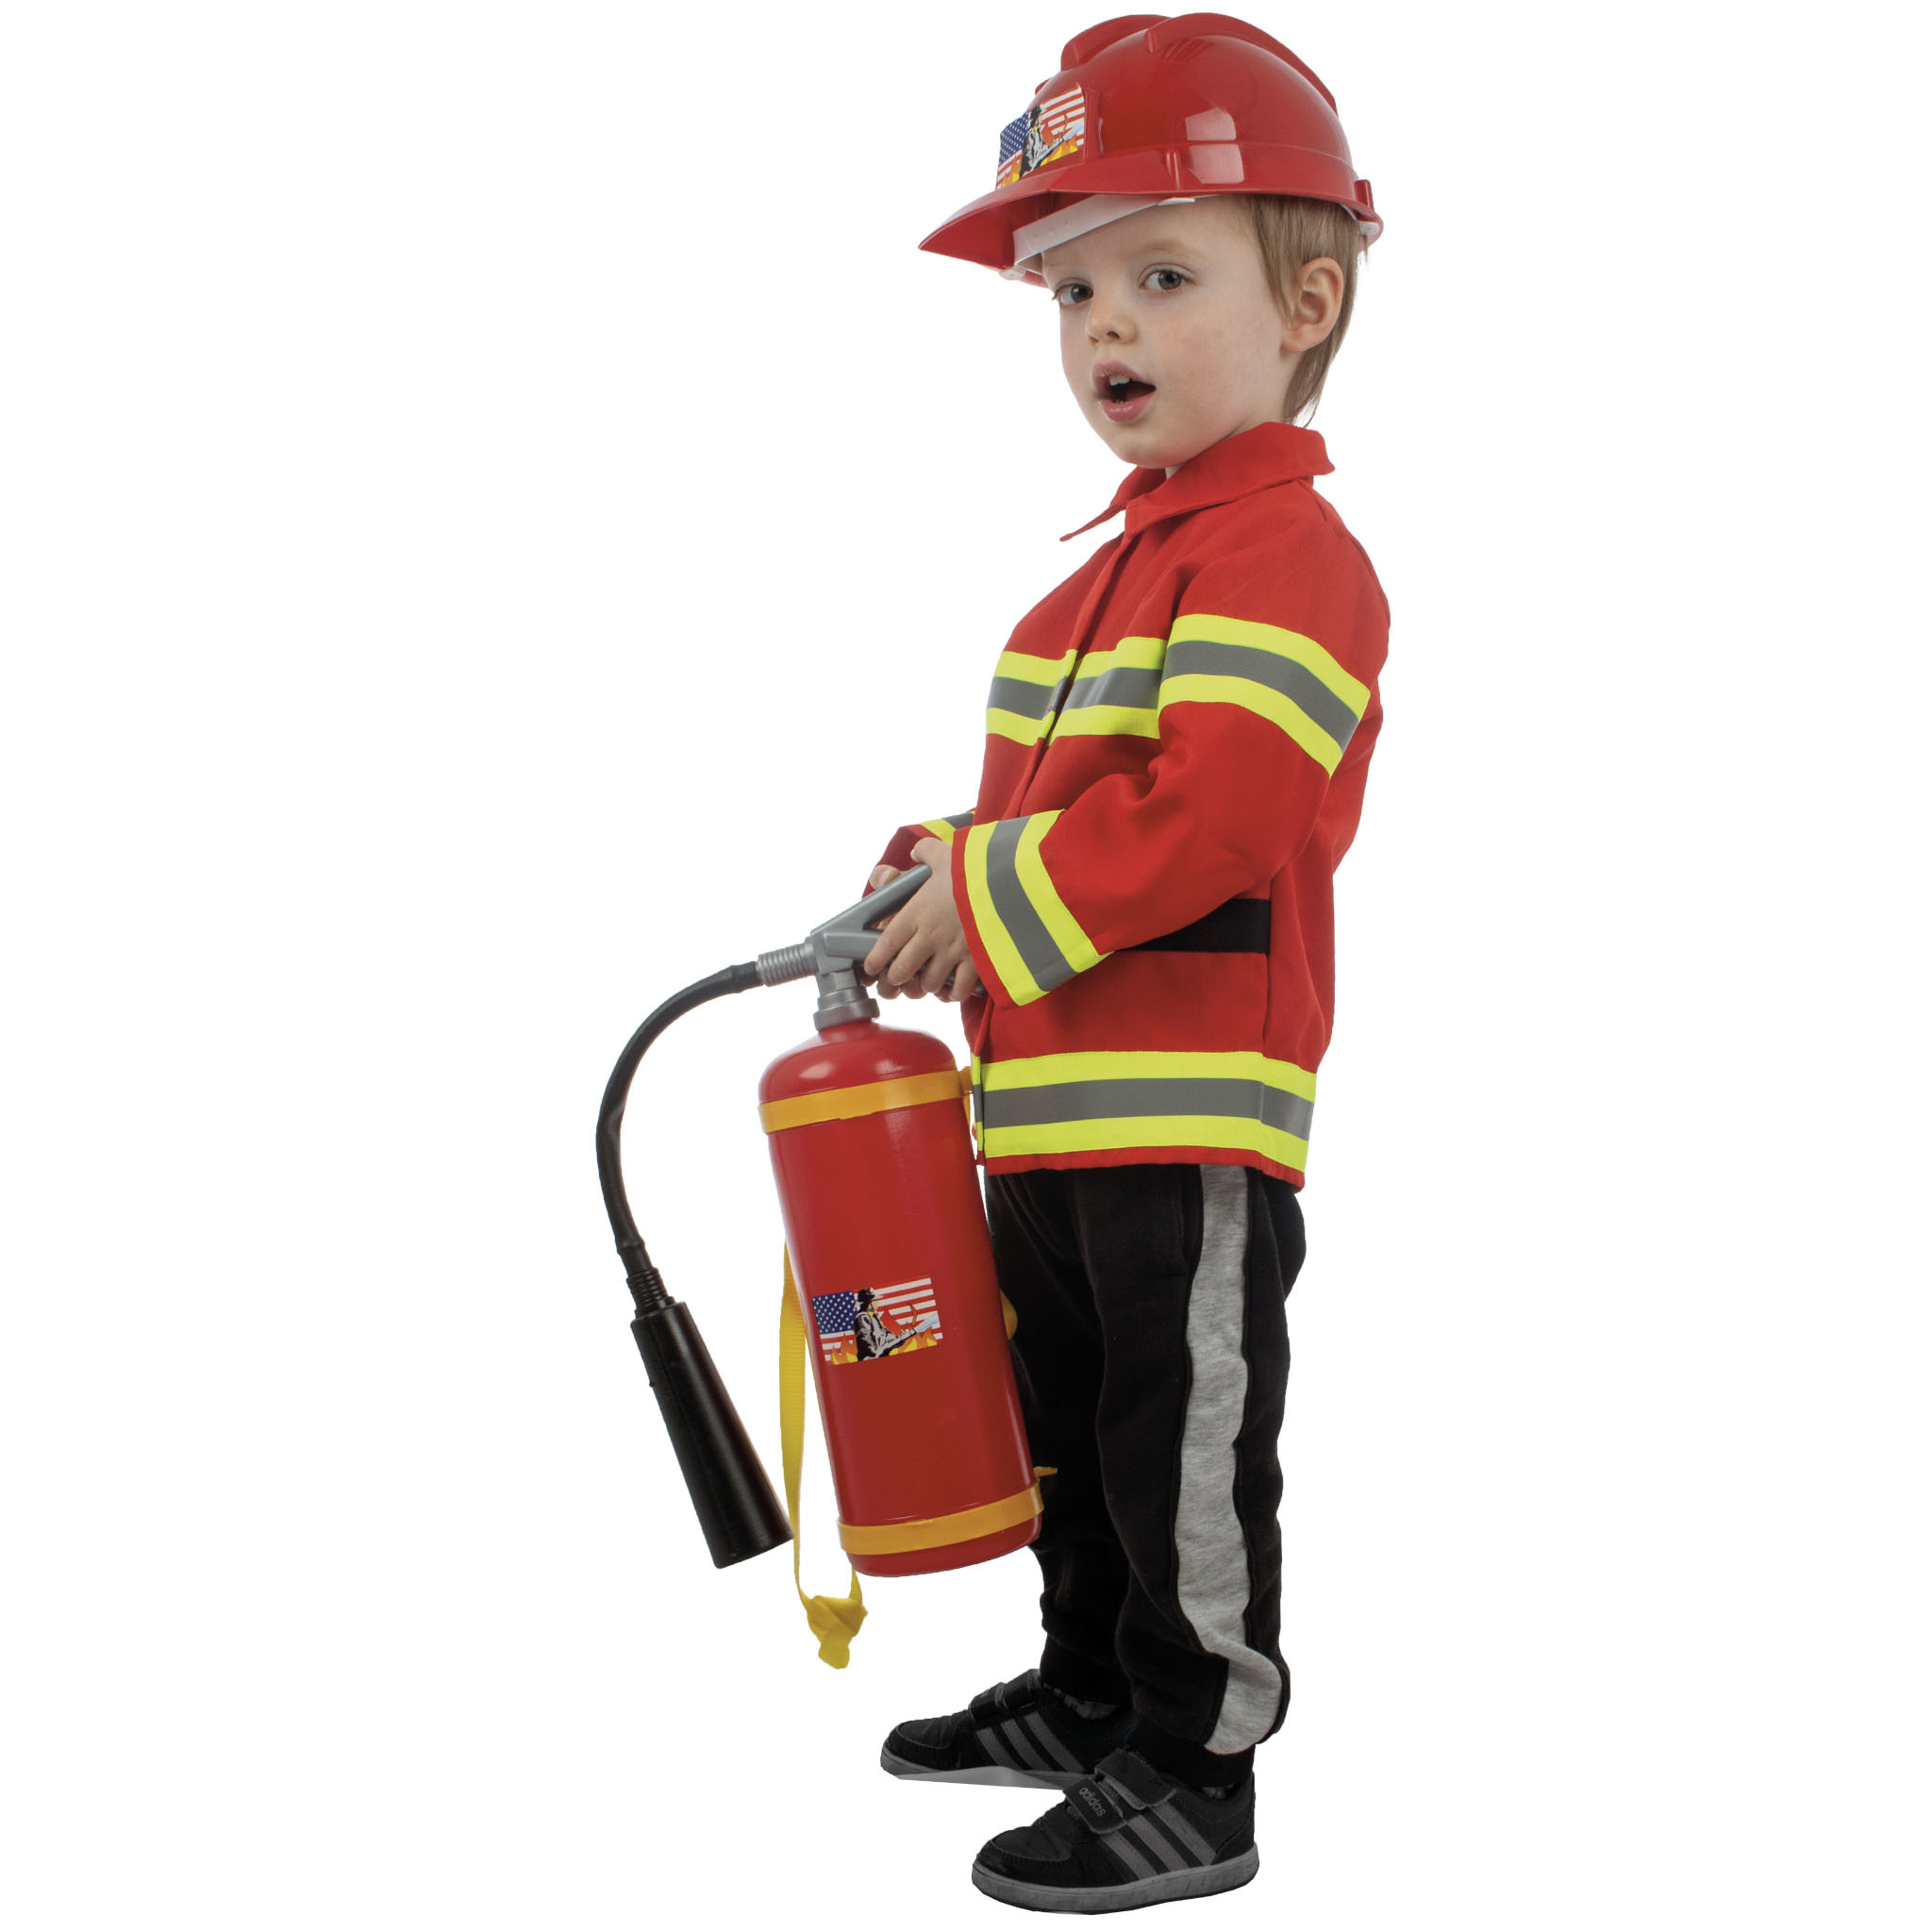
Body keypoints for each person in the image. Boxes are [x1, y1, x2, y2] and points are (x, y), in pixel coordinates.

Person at [857, 15, 1390, 1914]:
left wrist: (991, 896)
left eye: (1162, 277)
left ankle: (1195, 1760)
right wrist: (929, 873)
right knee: (1069, 1431)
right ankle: (1089, 1690)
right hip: (1045, 1113)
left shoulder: (1287, 558)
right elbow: (1066, 812)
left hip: (1178, 1115)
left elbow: (1214, 815)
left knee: (1179, 1448)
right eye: (1074, 290)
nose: (1106, 329)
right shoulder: (1078, 591)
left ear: (1305, 302)